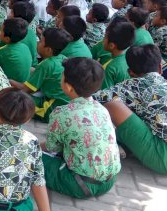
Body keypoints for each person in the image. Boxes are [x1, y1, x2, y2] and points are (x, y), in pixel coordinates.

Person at [94, 45, 167, 175]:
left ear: (130, 72)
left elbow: (95, 98)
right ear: (160, 68)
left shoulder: (133, 85)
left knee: (112, 104)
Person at [42, 58, 121, 198]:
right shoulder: (102, 109)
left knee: (31, 155)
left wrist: (34, 146)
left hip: (80, 185)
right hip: (109, 181)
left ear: (69, 87)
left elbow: (52, 147)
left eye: (62, 76)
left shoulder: (61, 113)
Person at [12, 28, 72, 121]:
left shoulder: (46, 64)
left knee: (15, 99)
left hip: (51, 108)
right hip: (65, 104)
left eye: (40, 41)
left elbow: (25, 90)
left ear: (48, 49)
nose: (38, 43)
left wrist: (7, 80)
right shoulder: (62, 58)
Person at [100, 18, 135, 90]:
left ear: (111, 45)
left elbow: (105, 95)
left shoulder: (109, 68)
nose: (103, 40)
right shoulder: (131, 56)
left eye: (105, 37)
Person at [0, 18, 32, 82]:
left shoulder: (1, 52)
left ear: (7, 39)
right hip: (24, 83)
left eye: (0, 30)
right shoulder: (25, 47)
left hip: (9, 86)